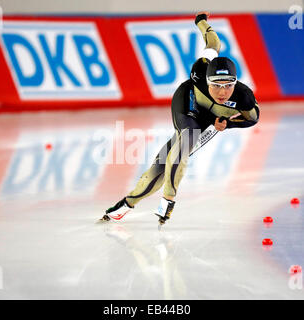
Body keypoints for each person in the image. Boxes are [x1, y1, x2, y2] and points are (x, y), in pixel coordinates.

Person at [99, 11, 260, 226]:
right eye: (216, 85)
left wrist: (229, 124)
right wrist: (201, 22)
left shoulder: (244, 97)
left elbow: (253, 119)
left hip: (210, 119)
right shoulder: (200, 69)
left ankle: (126, 204)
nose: (222, 92)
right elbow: (212, 41)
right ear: (207, 80)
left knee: (161, 166)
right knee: (186, 141)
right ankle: (169, 199)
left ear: (236, 83)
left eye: (228, 85)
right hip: (188, 104)